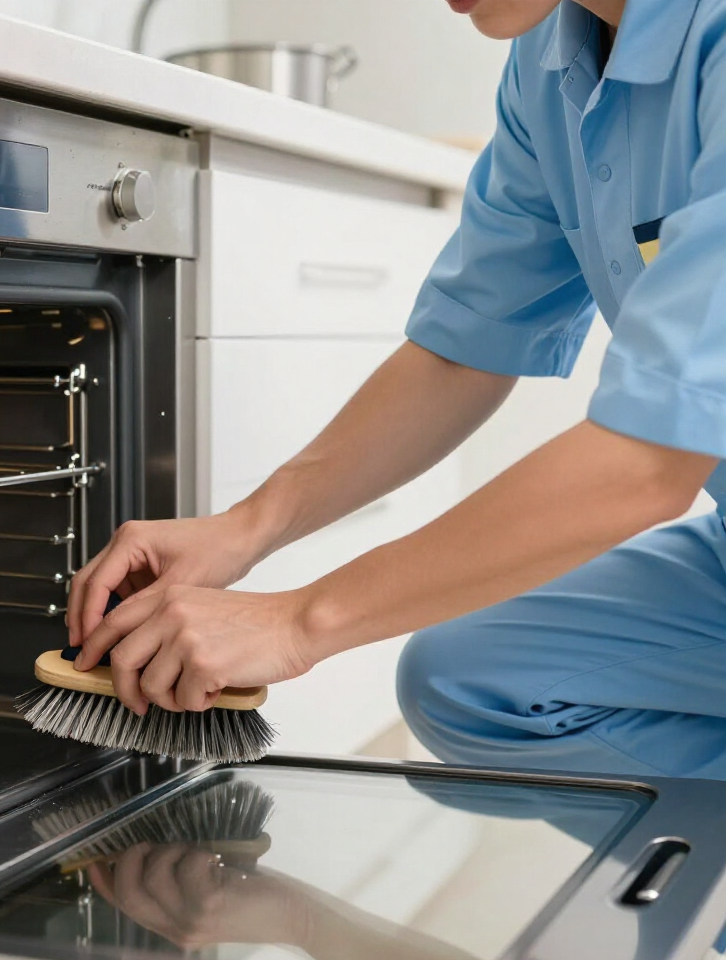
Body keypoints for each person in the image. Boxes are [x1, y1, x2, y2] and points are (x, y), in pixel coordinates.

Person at [68, 0, 726, 781]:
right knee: (465, 682)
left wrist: (297, 621)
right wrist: (247, 528)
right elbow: (468, 346)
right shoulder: (552, 67)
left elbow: (648, 466)